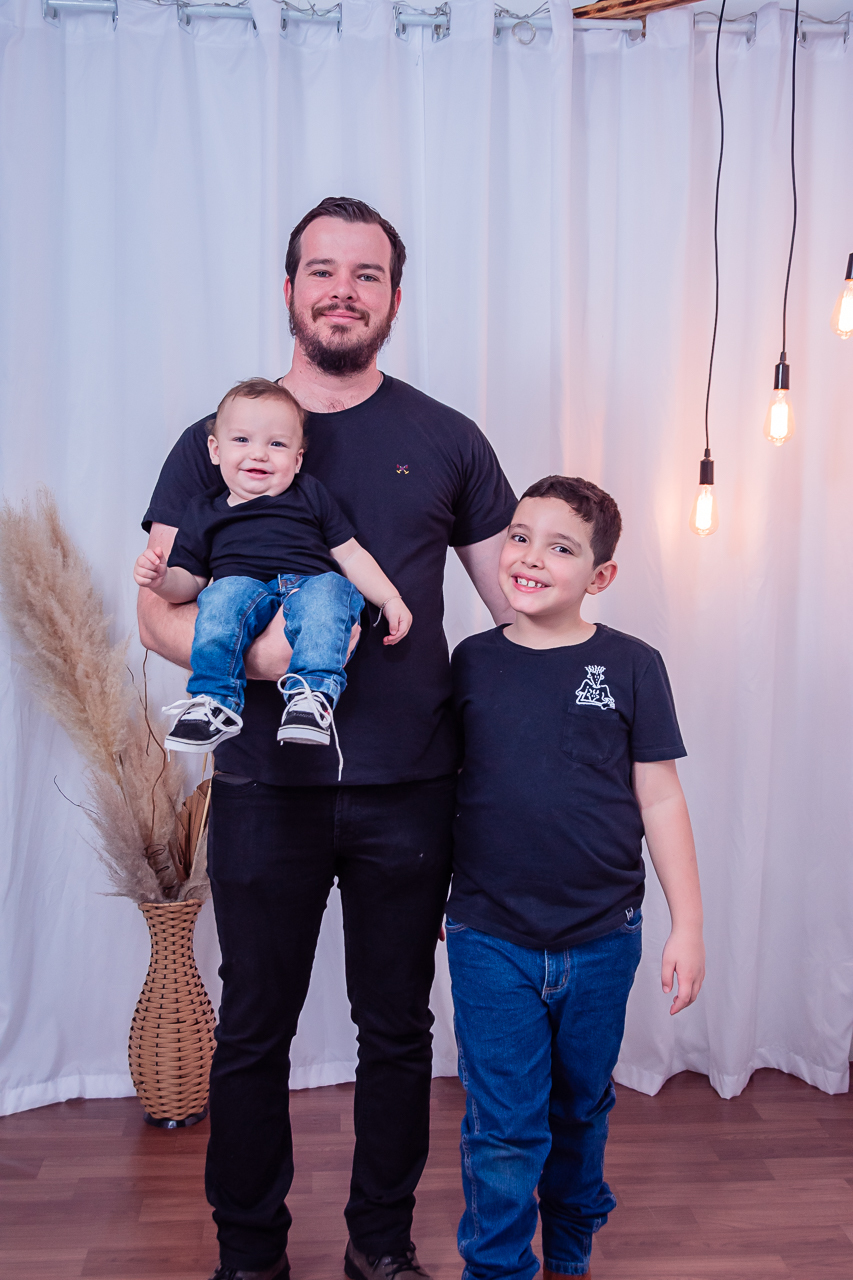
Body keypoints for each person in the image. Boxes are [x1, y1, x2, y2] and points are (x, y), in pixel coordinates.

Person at [136, 196, 517, 1280]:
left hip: (413, 786)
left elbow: (513, 609)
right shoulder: (215, 437)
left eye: (366, 274)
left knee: (395, 1030)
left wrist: (602, 688)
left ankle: (380, 1248)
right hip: (265, 784)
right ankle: (249, 1253)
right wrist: (269, 661)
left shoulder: (447, 437)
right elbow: (157, 610)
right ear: (289, 288)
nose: (342, 292)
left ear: (394, 297)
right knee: (254, 1027)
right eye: (322, 270)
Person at [445, 475, 705, 1280]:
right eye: (519, 537)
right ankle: (497, 1269)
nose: (529, 558)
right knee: (503, 1126)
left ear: (600, 576)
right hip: (489, 937)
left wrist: (688, 926)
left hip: (601, 939)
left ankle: (568, 1254)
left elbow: (659, 798)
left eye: (560, 547)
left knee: (579, 1108)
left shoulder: (631, 665)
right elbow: (441, 790)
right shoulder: (471, 662)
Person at [133, 377, 411, 771]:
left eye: (277, 444)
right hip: (243, 590)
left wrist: (389, 598)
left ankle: (311, 696)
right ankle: (214, 701)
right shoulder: (204, 510)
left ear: (297, 460)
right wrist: (162, 580)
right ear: (215, 450)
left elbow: (349, 554)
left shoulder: (310, 494)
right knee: (220, 599)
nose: (259, 454)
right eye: (242, 440)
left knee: (333, 590)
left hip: (307, 586)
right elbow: (190, 584)